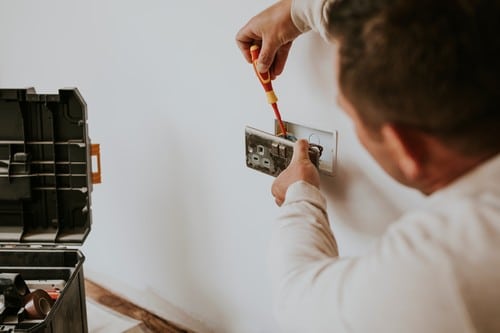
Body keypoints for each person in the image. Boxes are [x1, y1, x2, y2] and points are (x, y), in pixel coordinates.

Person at [236, 0, 500, 332]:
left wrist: (299, 198)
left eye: (349, 113)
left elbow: (298, 302)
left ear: (405, 147)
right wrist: (297, 11)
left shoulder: (444, 266)